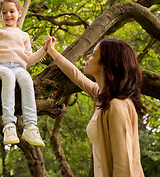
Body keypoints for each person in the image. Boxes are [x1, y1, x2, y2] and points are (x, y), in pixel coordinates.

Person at [46, 37, 146, 177]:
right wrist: (51, 51)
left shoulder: (117, 105)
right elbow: (77, 76)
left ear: (106, 64)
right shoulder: (101, 95)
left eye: (93, 54)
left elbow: (123, 167)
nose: (88, 56)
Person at [0, 0, 49, 147]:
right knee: (8, 77)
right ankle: (9, 125)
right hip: (1, 66)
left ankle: (31, 126)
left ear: (19, 13)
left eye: (11, 11)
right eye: (4, 12)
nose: (8, 15)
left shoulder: (24, 35)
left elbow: (28, 60)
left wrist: (44, 49)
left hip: (19, 67)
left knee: (26, 80)